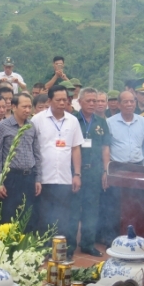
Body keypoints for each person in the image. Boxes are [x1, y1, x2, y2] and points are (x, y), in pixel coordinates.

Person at [31, 85, 83, 259]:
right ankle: (44, 252)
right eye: (58, 100)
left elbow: (75, 148)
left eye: (65, 100)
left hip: (64, 178)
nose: (62, 103)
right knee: (44, 217)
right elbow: (32, 147)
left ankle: (62, 253)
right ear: (49, 101)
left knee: (63, 217)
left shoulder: (73, 121)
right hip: (44, 178)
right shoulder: (37, 120)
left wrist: (77, 174)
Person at [99, 91, 144, 245]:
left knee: (135, 204)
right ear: (119, 104)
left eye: (132, 102)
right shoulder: (110, 122)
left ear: (135, 103)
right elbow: (105, 147)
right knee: (114, 204)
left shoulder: (142, 121)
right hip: (117, 167)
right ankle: (111, 238)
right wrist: (106, 170)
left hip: (137, 167)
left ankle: (134, 237)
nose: (129, 105)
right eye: (125, 102)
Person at [67, 88, 110, 257]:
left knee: (92, 210)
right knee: (73, 210)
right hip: (75, 171)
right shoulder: (72, 120)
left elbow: (106, 147)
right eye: (89, 101)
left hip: (94, 171)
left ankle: (88, 243)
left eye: (95, 100)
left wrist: (106, 170)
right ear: (80, 102)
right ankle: (69, 246)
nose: (92, 104)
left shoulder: (101, 122)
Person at [0, 93, 41, 229]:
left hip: (29, 177)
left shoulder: (31, 126)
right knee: (9, 216)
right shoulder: (1, 127)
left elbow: (36, 153)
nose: (27, 110)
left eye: (29, 107)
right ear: (13, 107)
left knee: (28, 217)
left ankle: (25, 249)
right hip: (11, 178)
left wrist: (38, 178)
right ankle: (8, 250)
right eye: (24, 106)